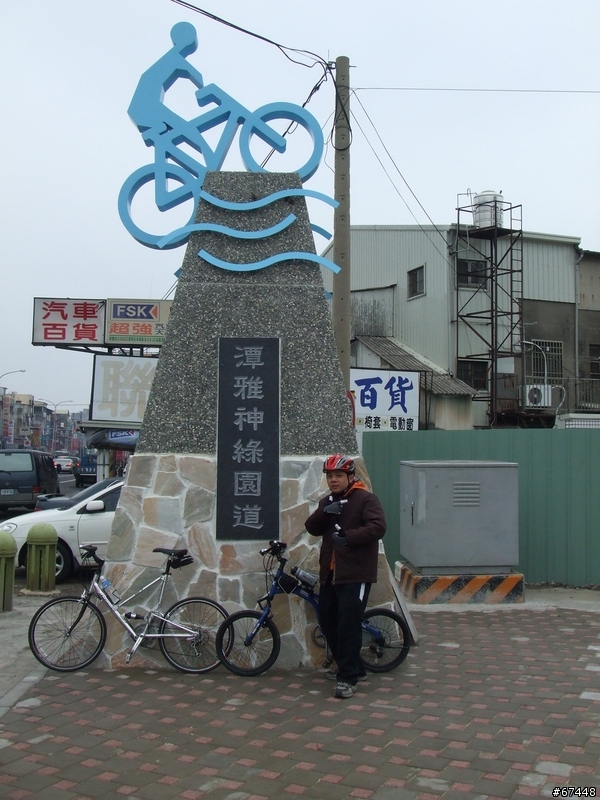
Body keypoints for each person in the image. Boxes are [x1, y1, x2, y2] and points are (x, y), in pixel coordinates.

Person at [305, 455, 387, 698]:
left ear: (350, 477)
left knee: (348, 624)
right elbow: (312, 527)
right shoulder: (328, 501)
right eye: (330, 476)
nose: (333, 480)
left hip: (355, 573)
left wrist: (349, 537)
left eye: (338, 476)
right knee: (328, 621)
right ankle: (354, 667)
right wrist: (325, 513)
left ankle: (348, 678)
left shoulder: (366, 499)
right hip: (330, 574)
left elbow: (378, 527)